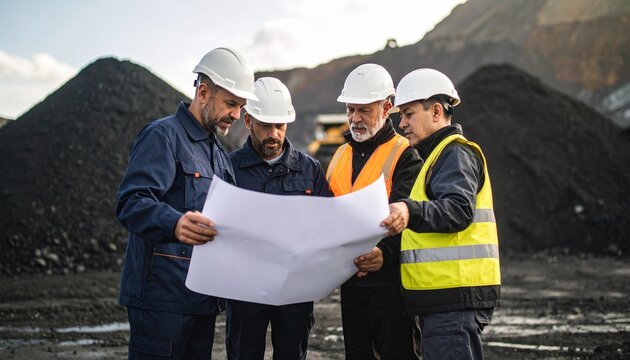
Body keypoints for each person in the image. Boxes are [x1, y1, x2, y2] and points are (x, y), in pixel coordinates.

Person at [115, 47, 258, 359]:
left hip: (202, 302)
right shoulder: (163, 136)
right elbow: (131, 201)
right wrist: (175, 222)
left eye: (241, 106)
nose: (237, 114)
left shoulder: (219, 156)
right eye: (231, 104)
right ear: (203, 92)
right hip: (160, 303)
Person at [382, 68, 501, 360]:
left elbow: (458, 210)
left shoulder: (454, 154)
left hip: (454, 299)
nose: (402, 124)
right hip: (444, 300)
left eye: (408, 114)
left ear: (436, 111)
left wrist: (409, 210)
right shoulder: (435, 157)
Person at [226, 77, 332, 359]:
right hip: (245, 292)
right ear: (248, 121)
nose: (273, 133)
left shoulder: (310, 170)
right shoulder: (228, 168)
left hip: (294, 291)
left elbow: (327, 223)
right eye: (265, 125)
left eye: (280, 126)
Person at [326, 63, 423, 359]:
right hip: (349, 282)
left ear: (387, 107)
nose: (355, 119)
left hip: (391, 285)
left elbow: (409, 212)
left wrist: (386, 253)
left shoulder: (405, 152)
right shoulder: (340, 155)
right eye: (350, 110)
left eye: (364, 110)